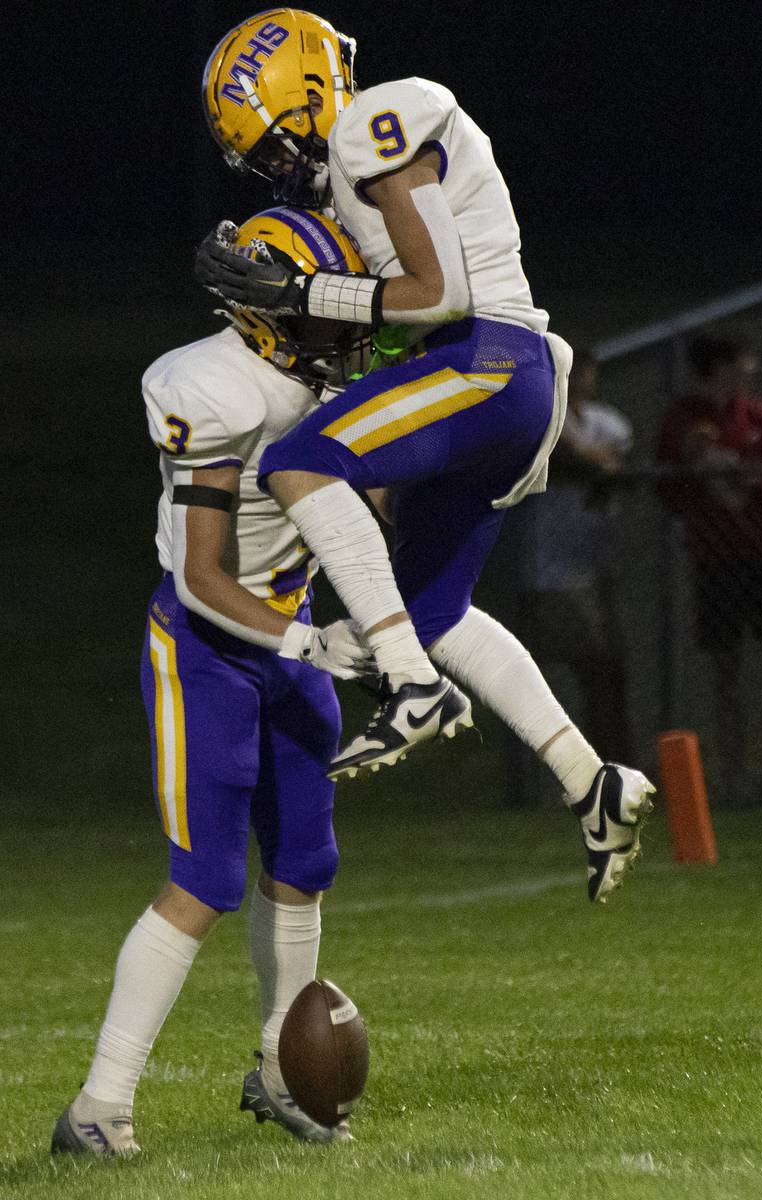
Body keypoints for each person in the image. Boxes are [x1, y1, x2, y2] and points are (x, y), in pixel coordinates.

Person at [196, 10, 655, 902]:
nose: (278, 168)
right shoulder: (346, 171)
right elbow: (385, 332)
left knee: (294, 465)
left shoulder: (375, 120)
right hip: (479, 381)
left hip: (487, 359)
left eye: (272, 144)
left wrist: (301, 290)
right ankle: (592, 784)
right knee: (427, 609)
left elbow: (435, 292)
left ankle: (413, 689)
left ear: (300, 94)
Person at [51, 209, 375, 1157]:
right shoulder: (215, 388)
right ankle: (98, 1109)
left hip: (289, 640)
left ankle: (284, 1072)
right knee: (204, 882)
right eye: (317, 311)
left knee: (306, 868)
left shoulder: (323, 375)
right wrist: (313, 645)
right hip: (210, 650)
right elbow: (201, 577)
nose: (343, 332)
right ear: (267, 318)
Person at [657, 329, 762, 806]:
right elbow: (668, 487)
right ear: (721, 367)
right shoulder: (685, 418)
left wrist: (748, 483)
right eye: (744, 361)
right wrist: (697, 469)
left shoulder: (760, 416)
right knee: (727, 672)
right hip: (716, 559)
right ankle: (734, 780)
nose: (751, 370)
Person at [515, 347, 633, 764]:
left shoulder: (606, 421)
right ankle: (588, 761)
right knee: (585, 667)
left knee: (605, 670)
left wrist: (598, 462)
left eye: (586, 372)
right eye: (572, 372)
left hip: (597, 565)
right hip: (554, 572)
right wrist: (592, 460)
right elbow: (561, 449)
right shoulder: (548, 417)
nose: (582, 380)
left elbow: (618, 460)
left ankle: (611, 759)